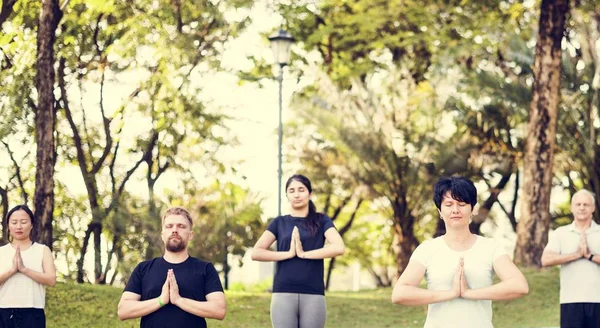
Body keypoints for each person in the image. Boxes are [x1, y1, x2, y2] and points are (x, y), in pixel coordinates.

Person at [391, 176, 529, 328]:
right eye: (448, 204)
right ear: (440, 211)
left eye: (462, 204)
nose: (455, 210)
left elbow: (519, 286)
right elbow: (399, 294)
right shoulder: (427, 249)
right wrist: (450, 293)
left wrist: (469, 293)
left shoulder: (490, 247)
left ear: (472, 209)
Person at [251, 174, 345, 328]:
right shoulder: (279, 222)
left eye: (301, 189)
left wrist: (304, 254)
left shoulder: (322, 220)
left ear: (310, 193)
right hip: (283, 292)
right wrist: (288, 254)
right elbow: (256, 252)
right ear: (287, 195)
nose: (296, 194)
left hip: (314, 292)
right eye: (292, 190)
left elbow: (339, 247)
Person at [117, 206, 226, 327]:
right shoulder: (143, 269)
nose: (174, 230)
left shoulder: (205, 269)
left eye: (181, 226)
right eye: (169, 226)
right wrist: (161, 300)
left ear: (191, 235)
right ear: (162, 234)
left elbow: (219, 310)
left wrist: (179, 300)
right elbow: (123, 310)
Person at [541, 189, 600, 328]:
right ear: (572, 208)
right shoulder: (560, 233)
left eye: (586, 204)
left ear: (593, 208)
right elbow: (546, 260)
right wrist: (576, 255)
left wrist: (590, 256)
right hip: (570, 301)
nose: (582, 208)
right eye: (578, 204)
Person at [0, 205, 57, 328]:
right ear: (8, 226)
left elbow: (51, 280)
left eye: (24, 222)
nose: (19, 226)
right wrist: (12, 270)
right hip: (3, 312)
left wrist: (24, 270)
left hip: (33, 312)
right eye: (14, 222)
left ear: (31, 225)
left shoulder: (42, 250)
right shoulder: (1, 252)